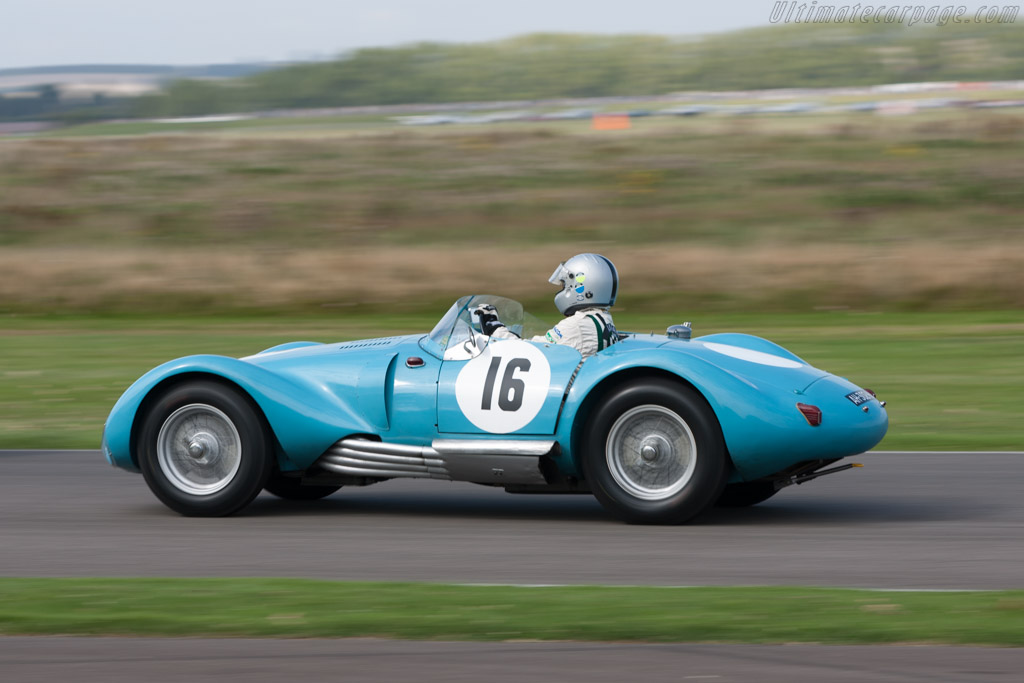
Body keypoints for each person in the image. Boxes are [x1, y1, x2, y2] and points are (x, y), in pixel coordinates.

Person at [476, 253, 619, 359]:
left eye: (564, 285)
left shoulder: (578, 325)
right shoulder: (603, 320)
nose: (562, 289)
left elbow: (531, 351)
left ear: (581, 287)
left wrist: (494, 328)